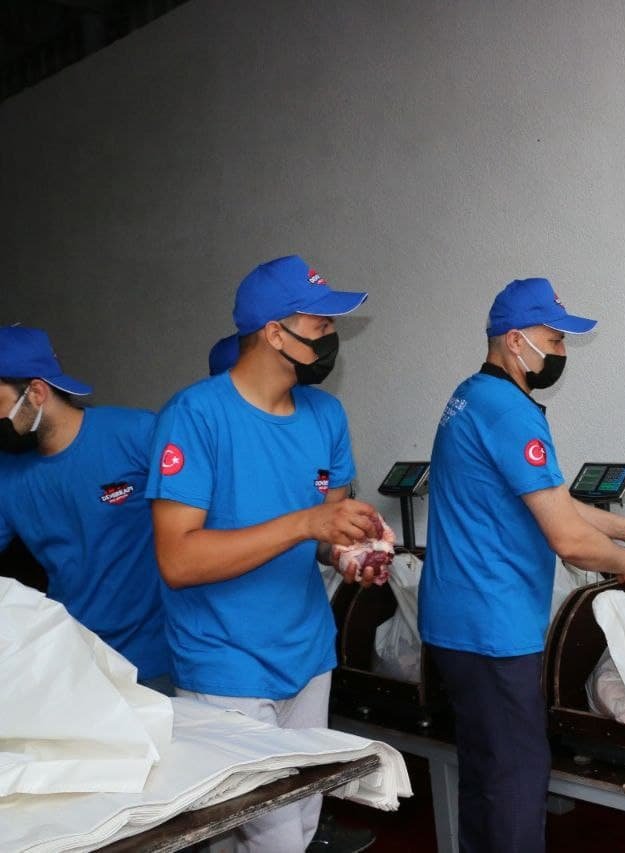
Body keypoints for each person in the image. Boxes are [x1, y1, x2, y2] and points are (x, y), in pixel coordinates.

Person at [421, 277, 625, 853]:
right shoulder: (511, 412)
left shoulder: (471, 396)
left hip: (456, 620)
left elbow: (550, 500)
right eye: (553, 340)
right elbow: (567, 538)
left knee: (485, 771)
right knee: (516, 777)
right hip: (493, 627)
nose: (560, 352)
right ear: (515, 341)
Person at [147, 256, 380, 853]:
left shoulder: (326, 414)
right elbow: (178, 560)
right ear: (275, 333)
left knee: (299, 826)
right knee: (273, 838)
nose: (331, 337)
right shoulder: (195, 415)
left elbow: (327, 535)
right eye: (321, 324)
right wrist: (306, 523)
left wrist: (350, 552)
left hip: (307, 655)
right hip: (225, 663)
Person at [0, 326, 171, 689]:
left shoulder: (136, 434)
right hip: (76, 661)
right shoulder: (7, 474)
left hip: (157, 657)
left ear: (37, 392)